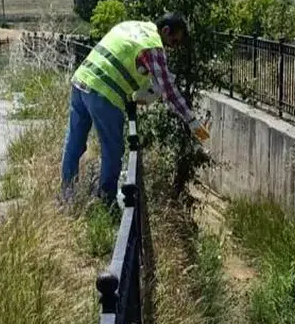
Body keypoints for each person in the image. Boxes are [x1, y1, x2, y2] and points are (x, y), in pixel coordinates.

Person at [61, 12, 209, 205]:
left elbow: (122, 62)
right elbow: (169, 92)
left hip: (81, 81)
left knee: (74, 143)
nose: (173, 46)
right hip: (104, 93)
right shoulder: (153, 46)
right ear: (165, 31)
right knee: (113, 150)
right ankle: (106, 202)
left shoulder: (131, 26)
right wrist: (192, 122)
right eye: (174, 41)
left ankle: (66, 197)